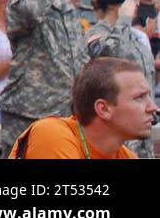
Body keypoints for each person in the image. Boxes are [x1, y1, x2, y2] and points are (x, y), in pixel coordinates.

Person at [0, 0, 90, 157]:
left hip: (65, 113)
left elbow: (80, 59)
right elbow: (29, 11)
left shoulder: (67, 7)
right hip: (30, 112)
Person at [9, 58, 156, 159]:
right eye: (139, 97)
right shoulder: (52, 134)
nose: (154, 108)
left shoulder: (126, 156)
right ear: (103, 109)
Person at [86, 0, 156, 158]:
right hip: (115, 132)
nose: (137, 4)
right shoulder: (96, 34)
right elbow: (108, 52)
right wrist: (123, 20)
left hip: (140, 134)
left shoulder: (135, 37)